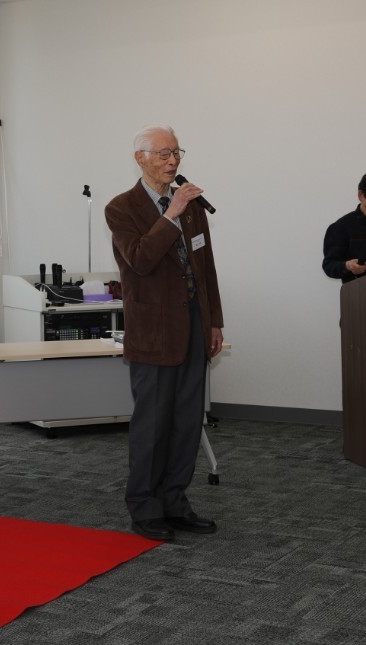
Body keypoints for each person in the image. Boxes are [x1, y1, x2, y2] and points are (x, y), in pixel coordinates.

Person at [105, 125, 224, 542]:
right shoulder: (122, 208)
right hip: (153, 332)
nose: (173, 161)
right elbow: (140, 259)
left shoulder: (191, 205)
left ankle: (175, 502)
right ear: (140, 158)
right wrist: (170, 215)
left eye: (176, 153)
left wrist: (214, 321)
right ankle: (145, 507)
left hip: (193, 325)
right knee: (153, 425)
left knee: (187, 422)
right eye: (163, 154)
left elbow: (205, 268)